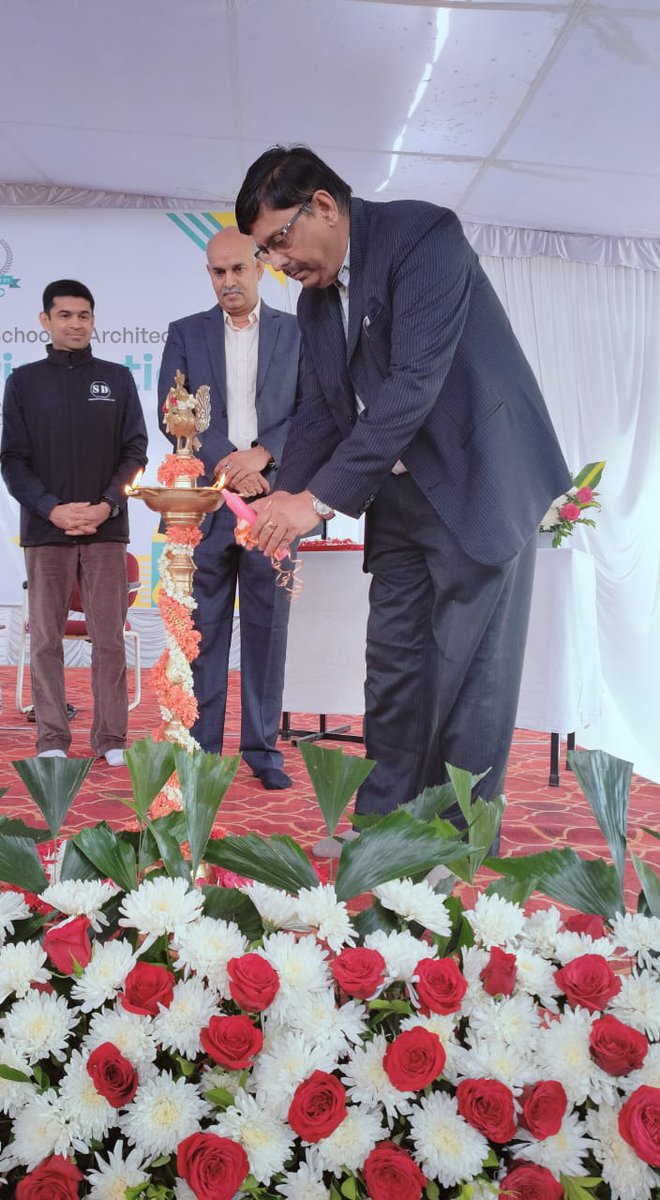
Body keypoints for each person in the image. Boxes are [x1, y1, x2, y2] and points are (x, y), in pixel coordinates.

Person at [235, 146, 570, 841]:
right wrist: (282, 497)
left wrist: (317, 504)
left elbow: (411, 386)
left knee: (468, 677)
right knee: (392, 669)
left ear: (323, 206)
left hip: (479, 484)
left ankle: (455, 842)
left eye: (279, 241)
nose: (278, 264)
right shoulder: (317, 302)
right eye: (266, 253)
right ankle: (383, 823)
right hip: (400, 502)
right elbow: (326, 411)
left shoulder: (424, 238)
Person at [158, 227, 302, 790]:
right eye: (218, 272)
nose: (228, 282)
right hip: (211, 507)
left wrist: (264, 456)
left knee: (269, 630)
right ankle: (202, 751)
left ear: (260, 267)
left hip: (276, 506)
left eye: (238, 269)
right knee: (205, 630)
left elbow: (317, 408)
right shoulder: (185, 334)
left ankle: (264, 749)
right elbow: (174, 414)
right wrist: (231, 464)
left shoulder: (297, 333)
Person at [0, 280, 148, 764]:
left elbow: (135, 451)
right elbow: (13, 461)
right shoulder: (23, 381)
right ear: (45, 320)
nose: (75, 324)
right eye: (65, 315)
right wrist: (51, 508)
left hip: (107, 528)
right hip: (47, 530)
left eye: (84, 315)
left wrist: (107, 504)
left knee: (109, 637)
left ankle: (111, 740)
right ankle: (51, 740)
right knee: (45, 638)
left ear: (93, 320)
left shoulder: (118, 379)